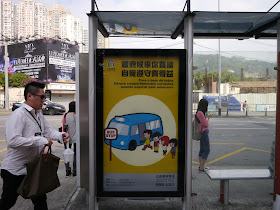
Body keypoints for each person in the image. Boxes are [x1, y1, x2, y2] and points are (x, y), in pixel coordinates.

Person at [0, 81, 69, 210]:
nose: (44, 100)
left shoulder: (38, 114)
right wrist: (40, 140)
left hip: (33, 168)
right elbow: (13, 141)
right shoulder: (19, 115)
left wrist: (61, 135)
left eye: (45, 97)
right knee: (8, 202)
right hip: (15, 170)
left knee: (41, 201)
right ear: (30, 96)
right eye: (42, 97)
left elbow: (48, 131)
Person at [196, 98, 211, 172]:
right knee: (207, 150)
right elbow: (205, 124)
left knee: (202, 150)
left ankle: (201, 166)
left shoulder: (198, 112)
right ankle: (201, 168)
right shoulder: (200, 113)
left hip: (202, 132)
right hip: (204, 133)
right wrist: (209, 119)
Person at [64, 101, 77, 177]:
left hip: (67, 137)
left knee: (67, 154)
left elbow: (64, 125)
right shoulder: (76, 116)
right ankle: (75, 171)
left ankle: (67, 170)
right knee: (76, 155)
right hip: (76, 138)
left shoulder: (66, 115)